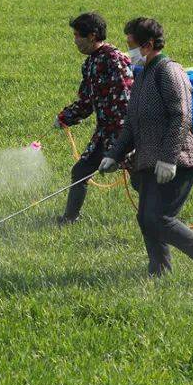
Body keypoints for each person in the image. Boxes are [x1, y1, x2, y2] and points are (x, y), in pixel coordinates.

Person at [100, 18, 193, 276]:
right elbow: (131, 125)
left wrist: (169, 158)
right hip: (148, 162)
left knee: (156, 218)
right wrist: (113, 155)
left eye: (131, 45)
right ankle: (159, 272)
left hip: (177, 159)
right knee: (146, 219)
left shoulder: (169, 71)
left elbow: (181, 115)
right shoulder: (142, 77)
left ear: (148, 45)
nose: (127, 51)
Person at [54, 12, 134, 225]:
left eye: (77, 36)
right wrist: (66, 117)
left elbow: (125, 99)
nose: (75, 41)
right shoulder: (90, 64)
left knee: (140, 179)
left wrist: (119, 145)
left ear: (92, 36)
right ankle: (70, 218)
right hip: (105, 132)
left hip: (125, 132)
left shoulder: (114, 59)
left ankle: (159, 219)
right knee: (80, 171)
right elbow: (87, 100)